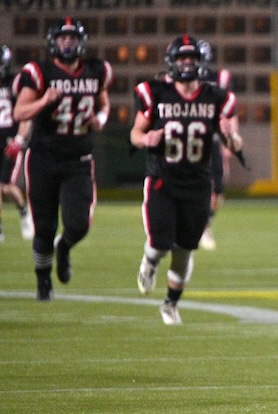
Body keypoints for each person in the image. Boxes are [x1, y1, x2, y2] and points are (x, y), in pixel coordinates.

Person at [131, 35, 237, 325]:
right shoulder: (157, 93)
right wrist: (146, 138)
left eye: (192, 59)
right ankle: (150, 261)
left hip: (197, 183)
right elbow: (136, 133)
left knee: (184, 250)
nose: (187, 65)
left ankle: (170, 305)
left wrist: (230, 134)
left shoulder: (216, 97)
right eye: (182, 59)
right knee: (160, 242)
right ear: (172, 63)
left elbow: (235, 142)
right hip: (163, 179)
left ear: (201, 63)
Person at [13, 18, 113, 300]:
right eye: (62, 38)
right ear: (53, 42)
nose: (67, 43)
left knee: (79, 225)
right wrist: (44, 102)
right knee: (44, 227)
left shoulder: (96, 70)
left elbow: (104, 103)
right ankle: (43, 279)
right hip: (44, 158)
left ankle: (65, 247)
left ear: (81, 41)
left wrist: (101, 119)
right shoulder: (39, 72)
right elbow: (20, 112)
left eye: (72, 38)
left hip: (78, 158)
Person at [195, 40, 245, 251]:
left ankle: (205, 223)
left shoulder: (220, 79)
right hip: (190, 142)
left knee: (218, 189)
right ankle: (196, 227)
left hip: (213, 140)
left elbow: (230, 110)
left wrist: (231, 139)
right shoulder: (179, 83)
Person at [0, 44, 33, 242]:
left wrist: (19, 139)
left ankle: (23, 212)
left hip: (10, 141)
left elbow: (25, 115)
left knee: (6, 187)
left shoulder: (15, 83)